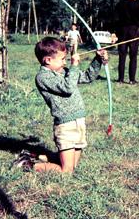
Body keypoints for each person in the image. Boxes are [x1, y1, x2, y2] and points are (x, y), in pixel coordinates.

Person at [14, 37, 108, 173]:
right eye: (62, 59)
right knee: (67, 171)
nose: (65, 63)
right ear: (48, 60)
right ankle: (27, 164)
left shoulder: (63, 72)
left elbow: (88, 77)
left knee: (72, 166)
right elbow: (68, 87)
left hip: (79, 122)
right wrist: (74, 66)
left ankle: (33, 155)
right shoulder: (43, 77)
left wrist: (98, 60)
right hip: (66, 126)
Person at [113, 0, 139, 85]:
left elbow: (115, 19)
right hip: (133, 31)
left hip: (122, 32)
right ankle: (132, 80)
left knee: (122, 56)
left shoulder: (119, 4)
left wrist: (114, 33)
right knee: (133, 56)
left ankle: (121, 80)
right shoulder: (138, 5)